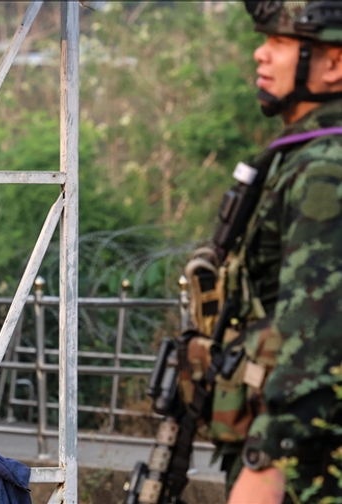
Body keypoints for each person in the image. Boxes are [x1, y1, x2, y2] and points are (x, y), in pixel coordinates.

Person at [207, 2, 342, 502]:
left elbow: (319, 336)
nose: (261, 54)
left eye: (281, 42)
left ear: (335, 63)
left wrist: (268, 462)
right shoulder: (306, 153)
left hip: (309, 467)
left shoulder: (326, 168)